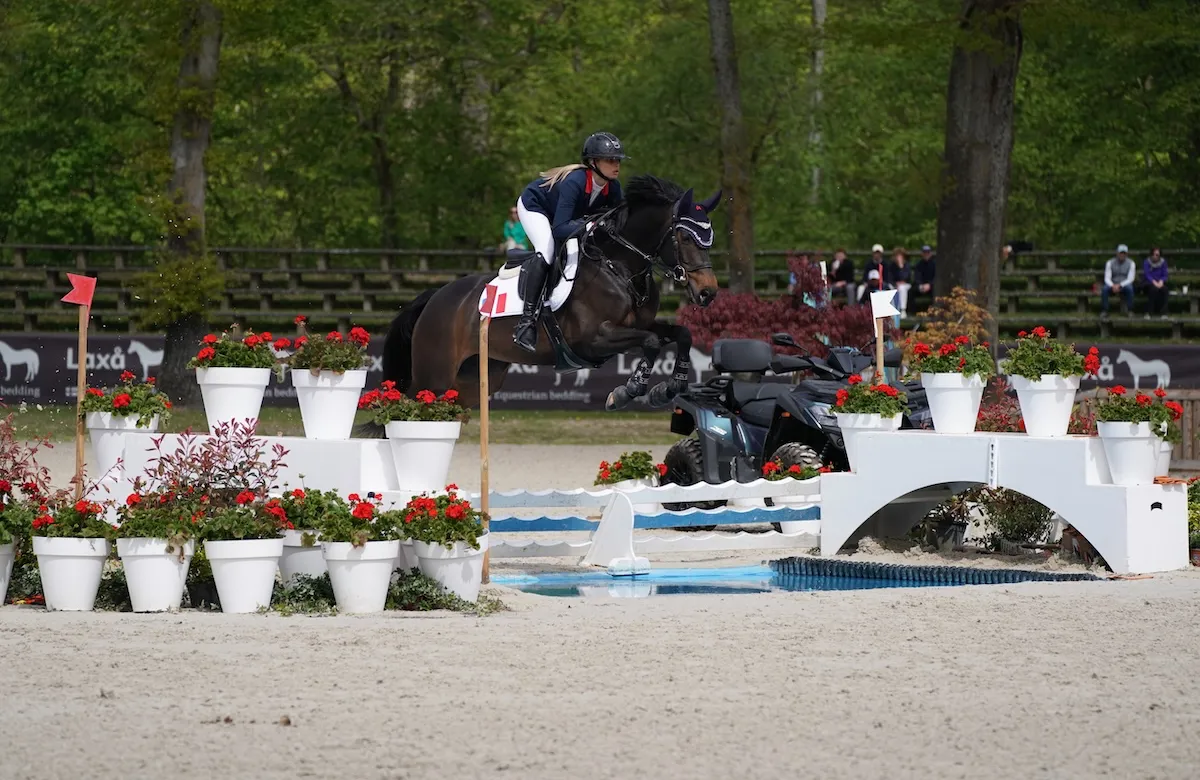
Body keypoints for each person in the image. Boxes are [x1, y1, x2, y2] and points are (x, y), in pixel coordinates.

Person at [511, 131, 627, 352]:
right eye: (610, 160)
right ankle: (526, 322)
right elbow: (560, 229)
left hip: (566, 218)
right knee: (546, 250)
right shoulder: (575, 182)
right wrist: (592, 227)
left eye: (618, 160)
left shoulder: (614, 188)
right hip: (536, 207)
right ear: (593, 162)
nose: (616, 165)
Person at [1101, 243, 1136, 319]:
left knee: (1130, 289)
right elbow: (1107, 278)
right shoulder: (1109, 263)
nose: (1122, 255)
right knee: (1104, 289)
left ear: (1126, 254)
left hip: (1125, 284)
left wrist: (1120, 285)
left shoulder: (1131, 263)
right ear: (1117, 253)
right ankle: (1105, 311)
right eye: (1120, 253)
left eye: (1124, 253)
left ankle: (1130, 310)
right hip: (1112, 284)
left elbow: (1130, 278)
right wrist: (1113, 285)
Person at [1143, 246, 1169, 318]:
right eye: (1153, 254)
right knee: (1153, 289)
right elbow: (1147, 274)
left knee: (1165, 290)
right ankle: (1149, 312)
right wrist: (1154, 282)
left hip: (1159, 282)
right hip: (1148, 283)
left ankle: (1164, 313)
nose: (1154, 256)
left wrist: (1161, 281)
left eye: (1157, 255)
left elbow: (1165, 274)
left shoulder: (1163, 262)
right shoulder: (1146, 262)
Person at [911, 244, 936, 313]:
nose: (926, 254)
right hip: (921, 286)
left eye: (927, 252)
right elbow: (916, 278)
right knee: (911, 291)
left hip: (931, 286)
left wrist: (930, 285)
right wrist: (920, 285)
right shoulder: (918, 265)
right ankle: (912, 313)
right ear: (922, 253)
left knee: (936, 290)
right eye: (924, 252)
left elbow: (936, 278)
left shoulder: (935, 264)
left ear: (930, 253)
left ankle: (933, 312)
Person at [891, 247, 912, 316]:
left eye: (900, 255)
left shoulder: (907, 265)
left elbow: (906, 277)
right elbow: (890, 277)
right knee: (890, 288)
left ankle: (903, 310)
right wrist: (895, 284)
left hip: (906, 285)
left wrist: (900, 266)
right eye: (897, 255)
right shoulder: (892, 266)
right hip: (895, 285)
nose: (898, 257)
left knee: (902, 288)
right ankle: (892, 311)